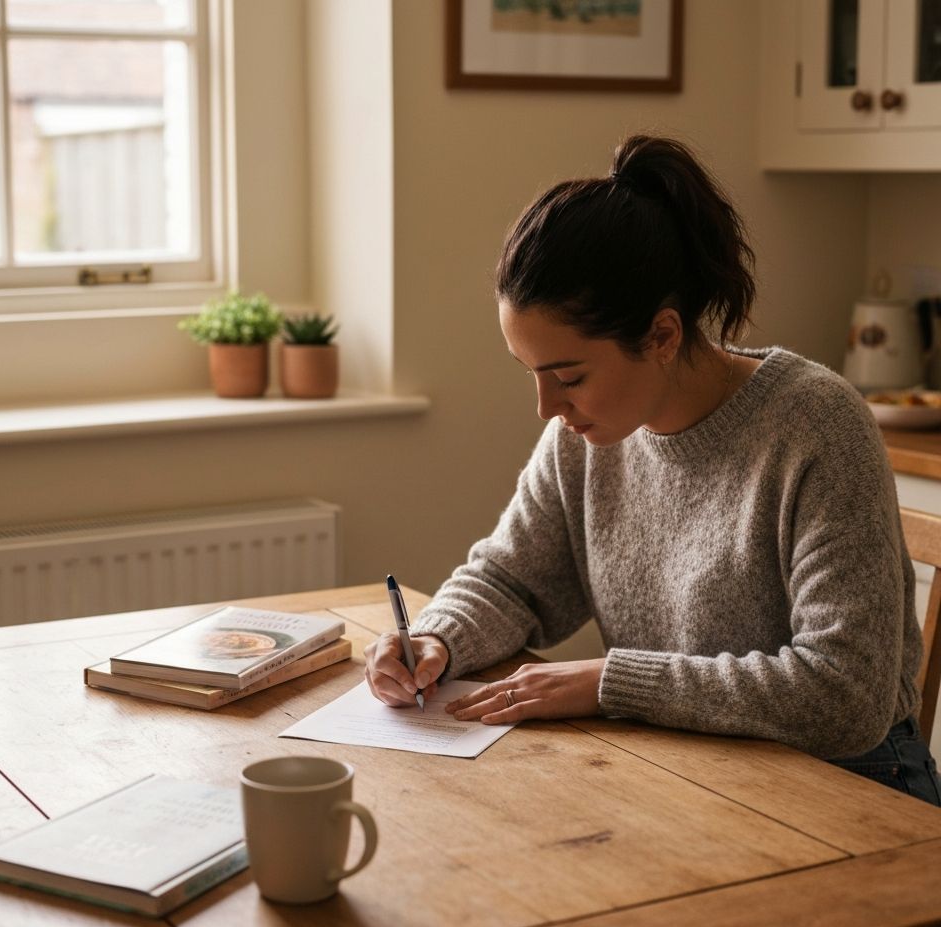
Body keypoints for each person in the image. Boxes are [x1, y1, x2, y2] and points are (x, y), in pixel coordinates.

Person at [363, 134, 941, 806]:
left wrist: (609, 683)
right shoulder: (583, 437)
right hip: (684, 767)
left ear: (663, 335)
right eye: (531, 374)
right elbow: (511, 580)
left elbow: (845, 695)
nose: (547, 408)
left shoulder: (817, 425)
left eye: (569, 377)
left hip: (854, 785)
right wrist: (437, 637)